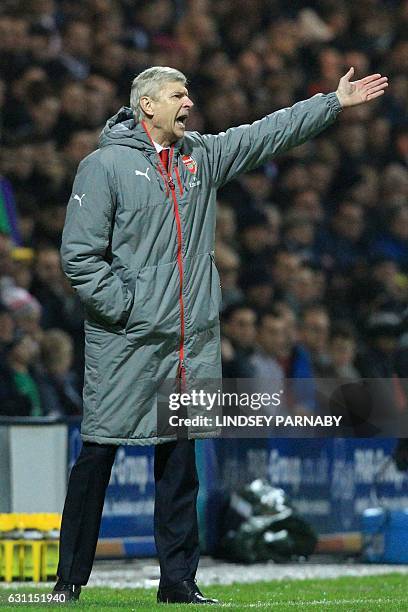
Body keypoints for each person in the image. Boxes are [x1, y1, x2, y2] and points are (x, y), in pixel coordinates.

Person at [54, 65, 388, 604]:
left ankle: (179, 583)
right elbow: (79, 257)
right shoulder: (104, 166)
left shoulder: (199, 158)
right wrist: (131, 307)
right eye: (178, 95)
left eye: (189, 92)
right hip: (126, 343)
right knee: (97, 459)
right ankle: (67, 582)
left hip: (189, 347)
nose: (190, 102)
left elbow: (265, 133)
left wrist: (330, 103)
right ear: (148, 106)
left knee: (181, 469)